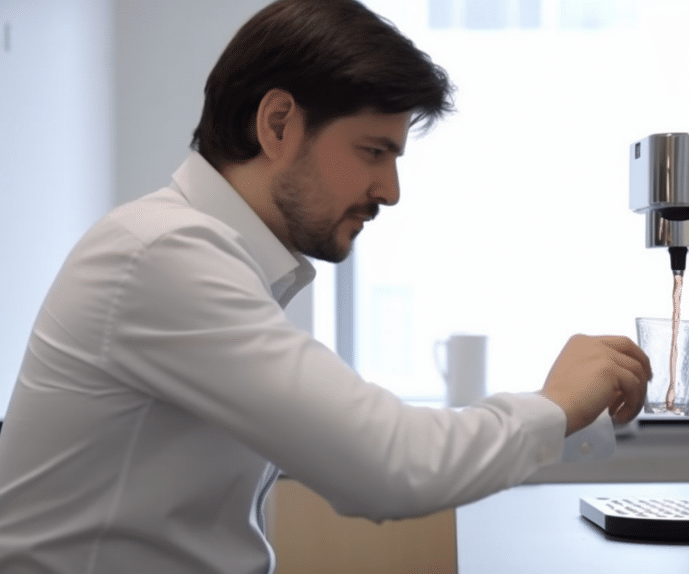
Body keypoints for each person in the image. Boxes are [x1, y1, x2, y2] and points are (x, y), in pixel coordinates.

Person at [0, 0, 650, 572]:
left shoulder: (205, 256)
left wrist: (562, 416)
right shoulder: (165, 255)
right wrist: (559, 402)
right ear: (278, 123)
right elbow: (387, 465)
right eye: (373, 151)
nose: (390, 192)